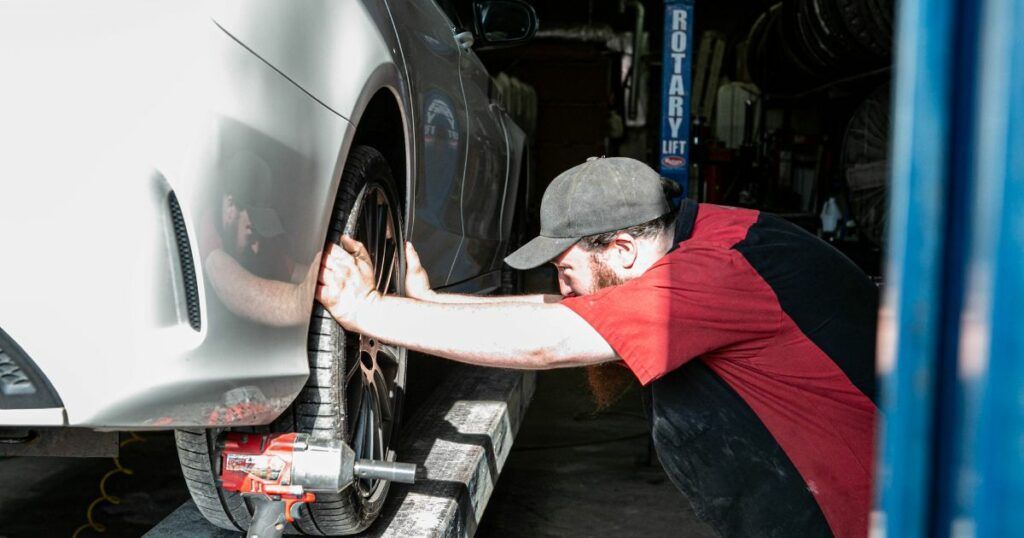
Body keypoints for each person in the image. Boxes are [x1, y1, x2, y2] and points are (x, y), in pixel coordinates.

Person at [317, 156, 878, 537]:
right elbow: (567, 313)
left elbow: (549, 340)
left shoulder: (708, 277)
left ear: (623, 250)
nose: (562, 288)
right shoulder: (698, 237)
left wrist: (369, 311)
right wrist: (430, 305)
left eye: (566, 271)